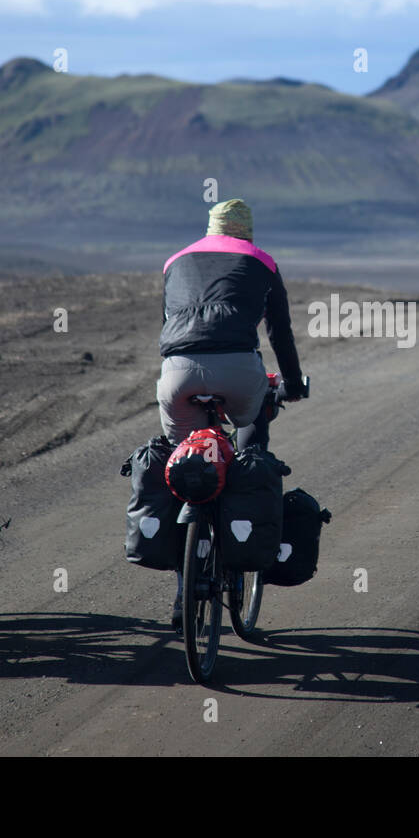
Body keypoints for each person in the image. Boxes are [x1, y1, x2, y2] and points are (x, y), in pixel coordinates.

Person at [158, 198, 305, 628]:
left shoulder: (174, 261)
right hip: (239, 371)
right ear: (247, 232)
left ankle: (183, 583)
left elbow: (168, 328)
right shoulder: (262, 262)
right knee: (251, 441)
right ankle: (241, 542)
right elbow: (280, 331)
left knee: (179, 461)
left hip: (177, 375)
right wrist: (292, 386)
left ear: (210, 228)